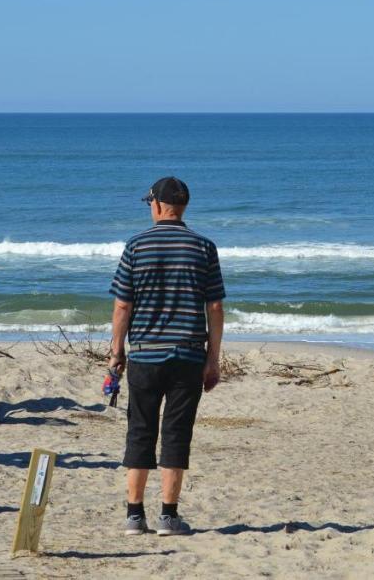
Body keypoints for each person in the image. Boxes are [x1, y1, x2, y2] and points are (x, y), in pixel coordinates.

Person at [108, 176, 225, 537]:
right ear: (183, 206)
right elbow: (215, 306)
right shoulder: (204, 247)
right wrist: (213, 359)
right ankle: (169, 517)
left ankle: (134, 516)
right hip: (188, 355)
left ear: (157, 205)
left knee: (140, 430)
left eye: (149, 203)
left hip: (145, 354)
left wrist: (116, 352)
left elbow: (123, 304)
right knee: (177, 433)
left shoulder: (136, 246)